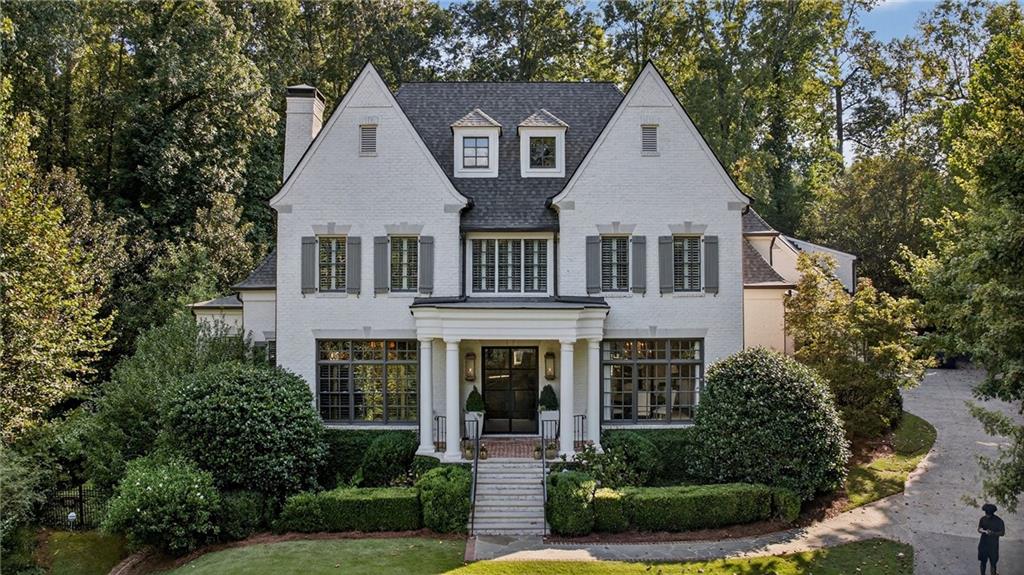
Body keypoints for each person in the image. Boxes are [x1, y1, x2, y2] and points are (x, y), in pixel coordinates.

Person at [978, 503, 1006, 575]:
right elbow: (979, 529)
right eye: (986, 513)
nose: (987, 515)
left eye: (988, 514)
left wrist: (993, 533)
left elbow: (1002, 533)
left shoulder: (999, 521)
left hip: (992, 546)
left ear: (992, 513)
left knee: (993, 564)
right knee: (983, 562)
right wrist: (981, 530)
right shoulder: (983, 519)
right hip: (984, 545)